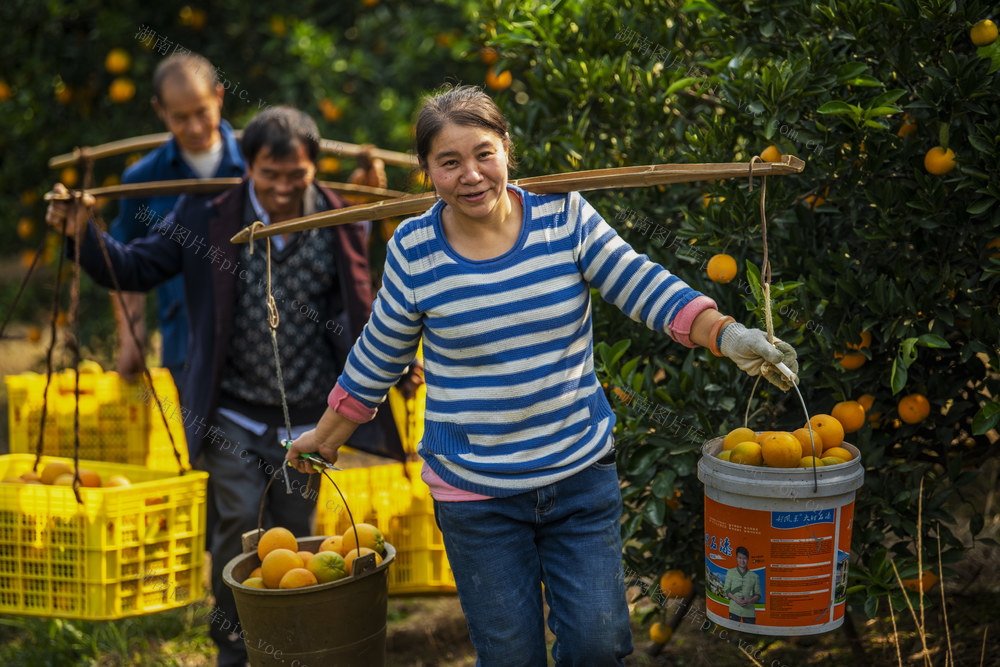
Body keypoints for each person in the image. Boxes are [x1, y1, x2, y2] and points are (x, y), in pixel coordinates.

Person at [286, 84, 797, 664]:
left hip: (578, 474)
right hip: (476, 493)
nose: (471, 175)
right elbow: (378, 354)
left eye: (483, 153)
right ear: (427, 172)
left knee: (599, 644)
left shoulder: (565, 215)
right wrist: (324, 439)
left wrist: (727, 334)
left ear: (506, 147)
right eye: (448, 162)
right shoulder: (414, 249)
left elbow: (641, 283)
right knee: (510, 655)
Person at [46, 106, 410, 667]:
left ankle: (294, 647)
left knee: (298, 540)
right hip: (232, 413)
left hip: (308, 421)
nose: (284, 189)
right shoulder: (207, 215)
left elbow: (360, 305)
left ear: (314, 170)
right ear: (249, 167)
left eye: (297, 176)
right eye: (271, 175)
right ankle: (235, 650)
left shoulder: (336, 220)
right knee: (239, 528)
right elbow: (138, 267)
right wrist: (83, 236)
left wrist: (394, 364)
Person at [109, 52, 245, 386]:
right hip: (185, 347)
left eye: (202, 112)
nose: (195, 127)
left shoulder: (257, 167)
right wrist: (131, 335)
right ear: (160, 110)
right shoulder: (144, 178)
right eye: (180, 118)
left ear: (218, 96)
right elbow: (125, 260)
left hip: (253, 342)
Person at [724, 546, 762, 623]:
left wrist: (749, 601)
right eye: (739, 558)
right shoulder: (730, 572)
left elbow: (758, 594)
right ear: (736, 558)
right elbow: (726, 590)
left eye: (744, 558)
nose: (742, 561)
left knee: (749, 633)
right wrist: (736, 599)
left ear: (748, 559)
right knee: (733, 632)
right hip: (734, 609)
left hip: (749, 612)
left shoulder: (755, 576)